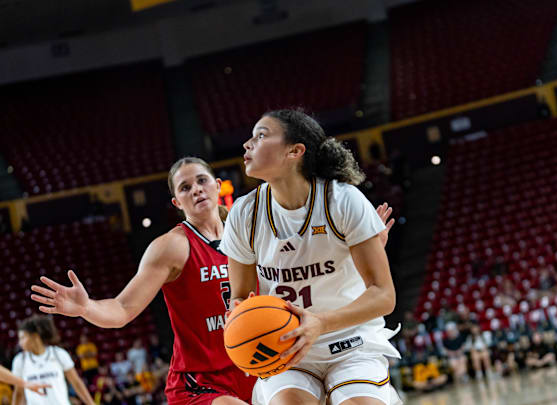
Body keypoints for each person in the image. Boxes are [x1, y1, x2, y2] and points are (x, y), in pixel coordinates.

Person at [30, 156, 395, 405]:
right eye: (185, 187)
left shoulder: (256, 225)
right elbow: (124, 309)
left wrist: (360, 248)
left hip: (260, 362)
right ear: (177, 201)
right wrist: (86, 307)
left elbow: (310, 270)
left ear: (217, 185)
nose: (196, 190)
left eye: (201, 180)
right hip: (203, 380)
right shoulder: (171, 247)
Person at [221, 109, 401, 405]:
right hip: (284, 348)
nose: (247, 144)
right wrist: (240, 315)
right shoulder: (244, 213)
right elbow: (239, 296)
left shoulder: (343, 200)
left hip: (351, 342)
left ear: (295, 151)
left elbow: (383, 296)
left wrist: (320, 323)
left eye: (261, 135)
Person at [11, 315, 93, 405]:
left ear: (35, 336)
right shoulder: (19, 360)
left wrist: (91, 403)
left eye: (23, 338)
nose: (20, 343)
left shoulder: (58, 353)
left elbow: (76, 382)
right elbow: (18, 392)